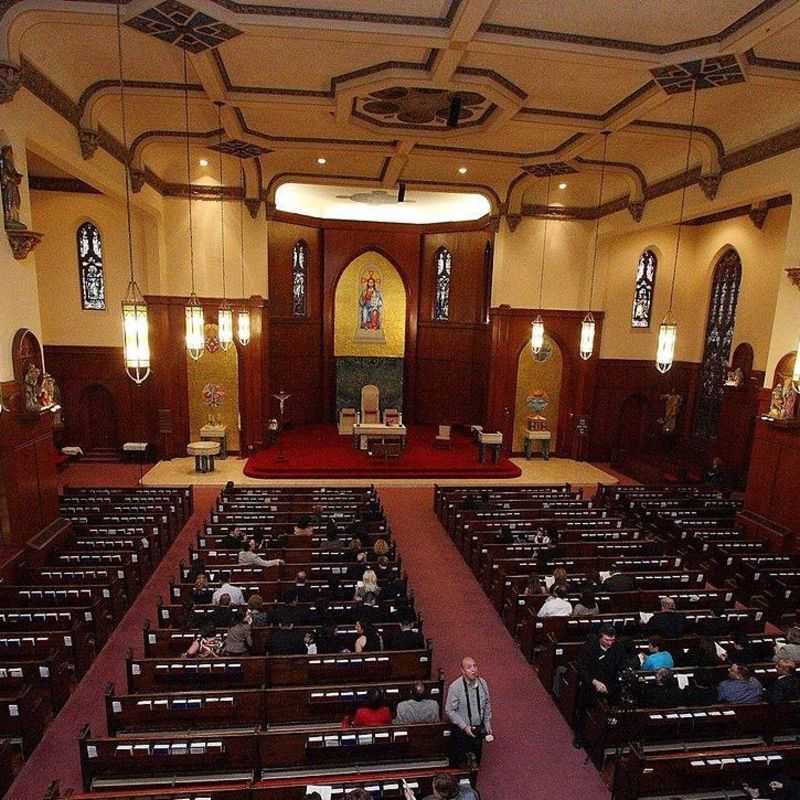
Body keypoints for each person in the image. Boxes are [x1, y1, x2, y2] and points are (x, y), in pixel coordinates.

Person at [574, 624, 626, 748]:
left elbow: (621, 665)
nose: (610, 643)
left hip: (610, 685)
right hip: (591, 685)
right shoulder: (589, 648)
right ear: (600, 637)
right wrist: (594, 682)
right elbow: (582, 668)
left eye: (612, 640)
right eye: (607, 640)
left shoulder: (618, 648)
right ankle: (579, 737)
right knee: (583, 709)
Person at [445, 656, 494, 767]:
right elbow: (449, 710)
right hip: (462, 730)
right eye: (469, 667)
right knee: (459, 762)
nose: (473, 669)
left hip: (478, 727)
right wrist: (464, 726)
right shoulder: (455, 687)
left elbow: (487, 703)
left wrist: (487, 721)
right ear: (462, 670)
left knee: (476, 760)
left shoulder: (483, 683)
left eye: (475, 666)